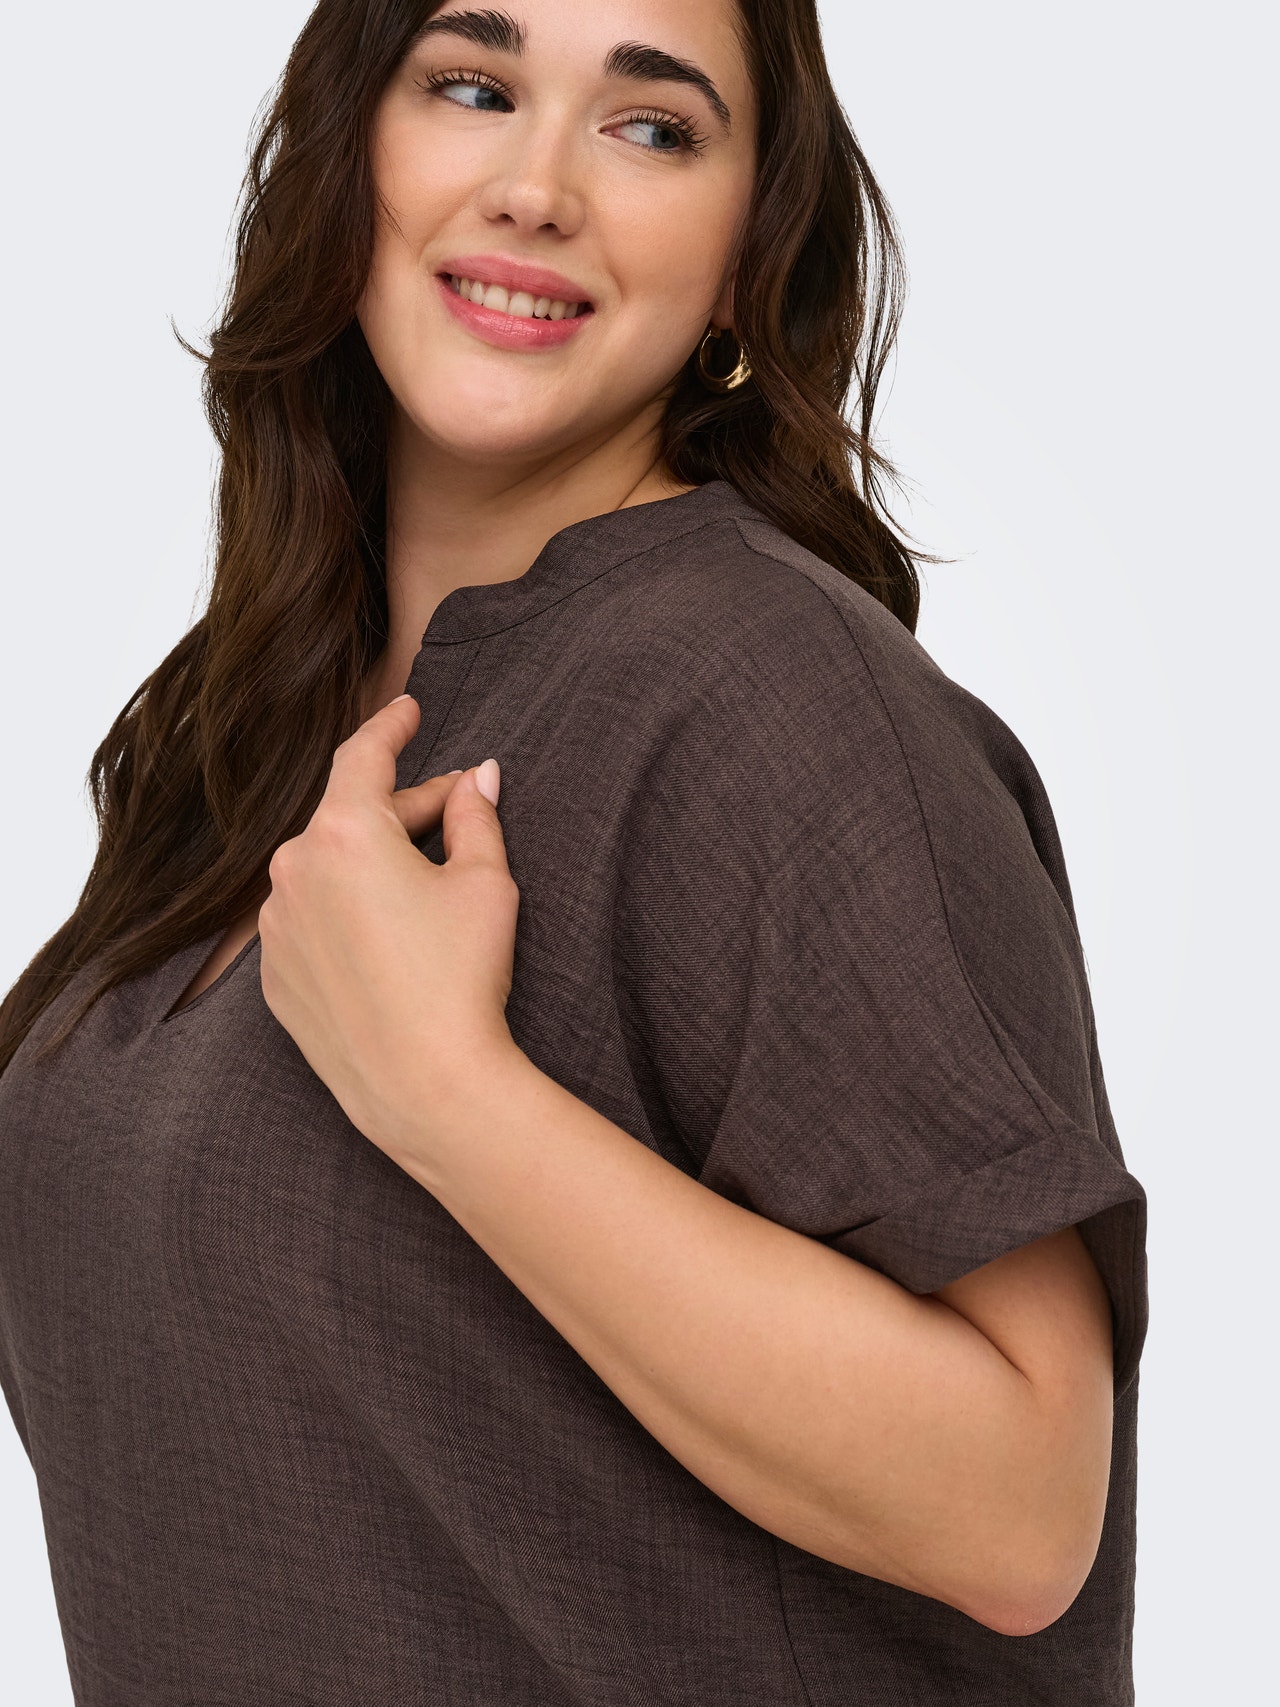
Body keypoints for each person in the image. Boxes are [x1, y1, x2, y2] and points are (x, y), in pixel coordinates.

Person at [0, 0, 1148, 1701]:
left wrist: (450, 1097)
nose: (537, 186)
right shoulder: (257, 736)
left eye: (651, 127)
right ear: (348, 150)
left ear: (748, 256)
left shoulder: (771, 702)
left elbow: (1023, 1504)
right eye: (472, 86)